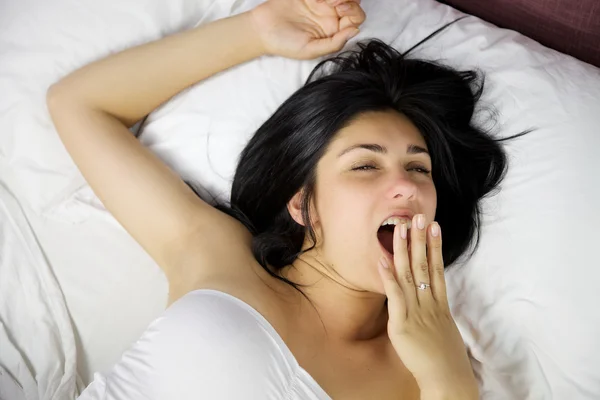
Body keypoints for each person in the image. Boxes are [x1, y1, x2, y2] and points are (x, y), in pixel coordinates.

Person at [47, 0, 525, 398]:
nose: (406, 186)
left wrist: (448, 375)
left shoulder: (423, 374)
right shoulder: (218, 258)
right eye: (365, 165)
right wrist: (257, 30)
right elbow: (81, 105)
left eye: (419, 169)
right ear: (303, 205)